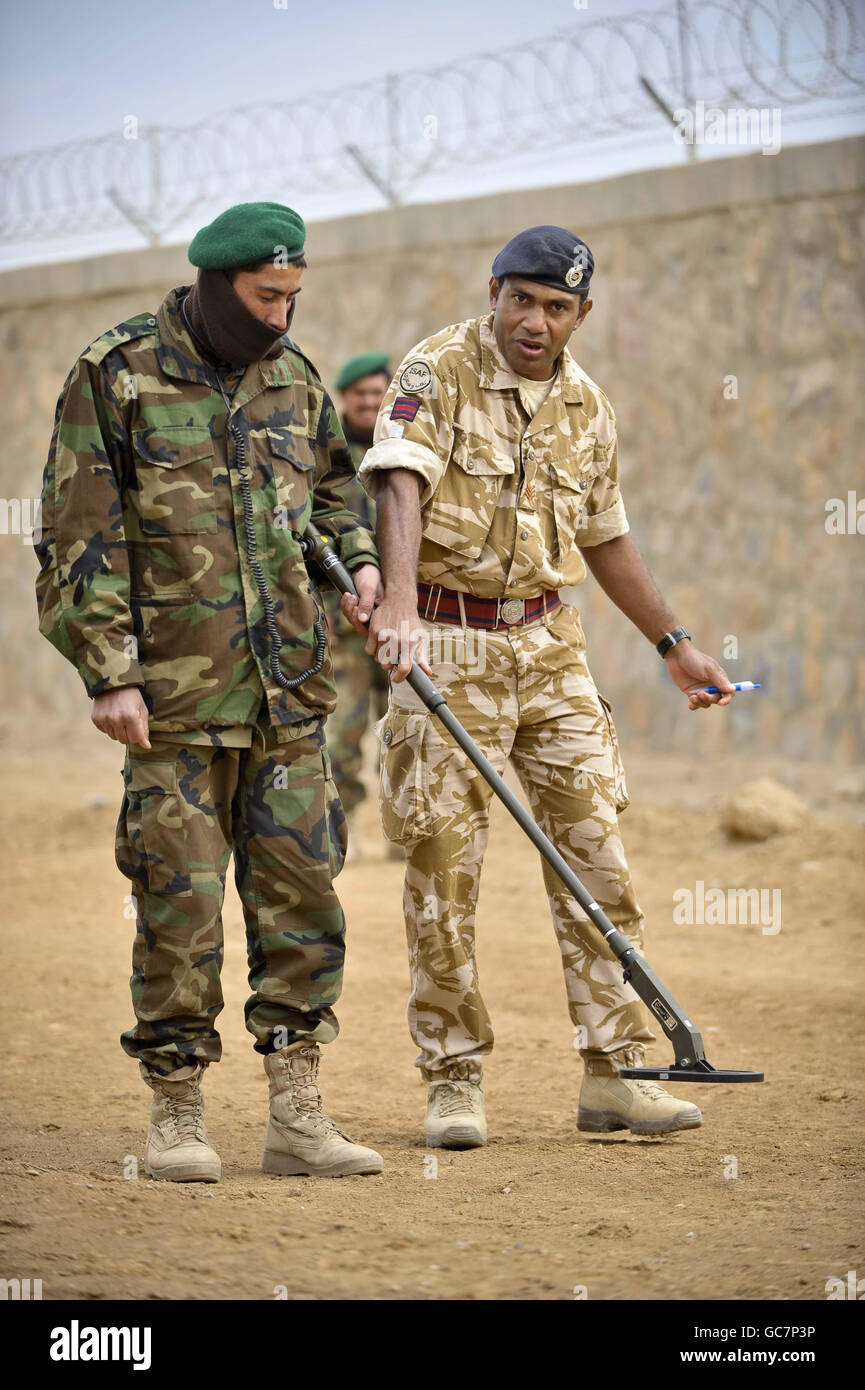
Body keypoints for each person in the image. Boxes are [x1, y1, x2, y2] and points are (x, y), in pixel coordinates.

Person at [348, 224, 736, 1149]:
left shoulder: (587, 407)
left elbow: (603, 534)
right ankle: (452, 1080)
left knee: (597, 854)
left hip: (549, 645)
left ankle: (615, 1072)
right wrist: (398, 603)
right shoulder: (434, 369)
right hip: (445, 639)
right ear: (495, 291)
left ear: (580, 316)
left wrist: (672, 641)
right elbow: (398, 478)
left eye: (555, 307)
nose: (534, 320)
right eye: (520, 299)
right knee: (444, 864)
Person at [35, 201, 384, 1181]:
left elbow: (330, 495)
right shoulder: (118, 371)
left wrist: (354, 564)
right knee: (177, 904)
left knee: (305, 897)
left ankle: (297, 1113)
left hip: (290, 692)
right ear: (215, 281)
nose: (282, 314)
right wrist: (107, 670)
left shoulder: (296, 377)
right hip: (175, 704)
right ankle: (177, 1113)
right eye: (268, 295)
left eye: (294, 296)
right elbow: (74, 538)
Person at [322, 354, 393, 853]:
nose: (369, 402)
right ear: (346, 397)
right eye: (360, 394)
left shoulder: (403, 450)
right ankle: (337, 841)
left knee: (407, 737)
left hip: (402, 626)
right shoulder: (326, 457)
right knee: (340, 739)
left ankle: (405, 837)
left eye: (377, 393)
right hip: (342, 629)